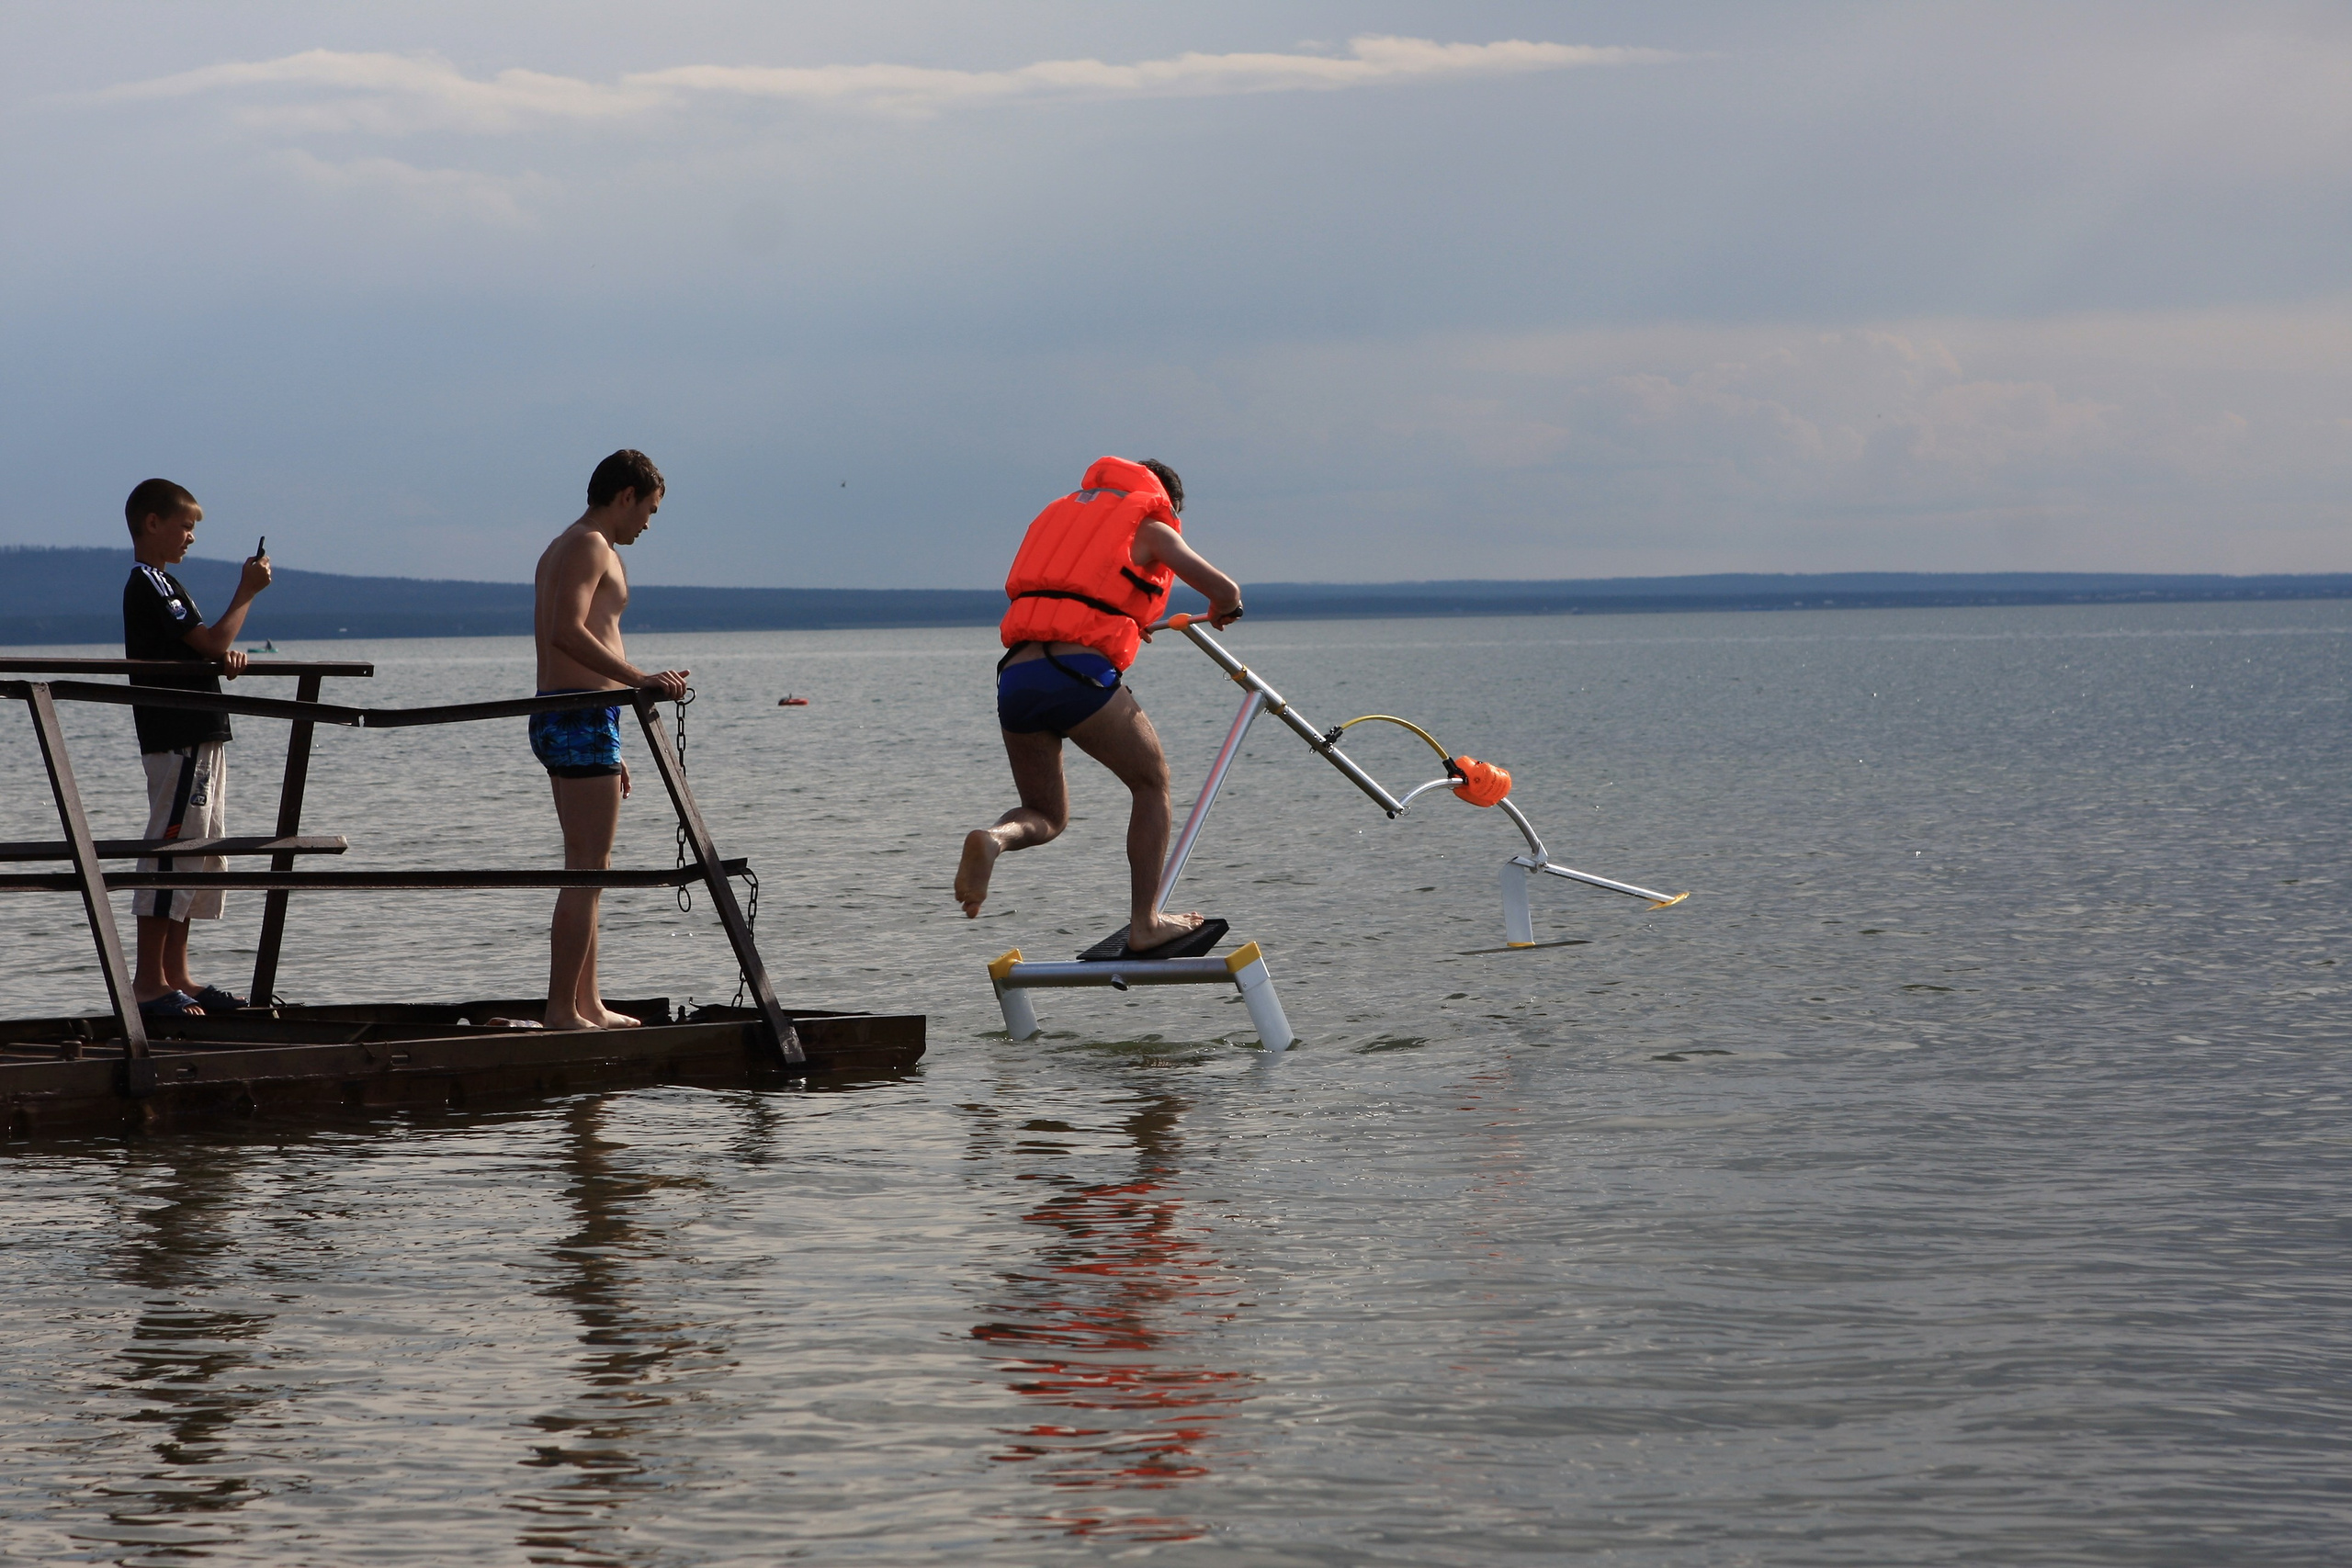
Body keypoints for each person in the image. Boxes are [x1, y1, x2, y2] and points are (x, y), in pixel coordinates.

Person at [955, 457, 1244, 952]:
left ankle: (994, 838)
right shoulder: (1150, 525)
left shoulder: (1062, 516)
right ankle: (1146, 923)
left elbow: (1085, 594)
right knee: (1151, 783)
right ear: (1167, 500)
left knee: (1045, 812)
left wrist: (1126, 621)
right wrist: (1224, 608)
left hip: (1016, 676)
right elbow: (1225, 590)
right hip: (1076, 675)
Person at [531, 449, 690, 1031]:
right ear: (626, 496)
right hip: (579, 714)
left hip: (580, 716)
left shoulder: (566, 544)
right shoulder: (590, 544)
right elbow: (566, 632)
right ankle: (560, 1010)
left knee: (588, 869)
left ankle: (587, 1003)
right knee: (586, 870)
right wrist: (640, 680)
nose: (648, 523)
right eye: (649, 509)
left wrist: (612, 738)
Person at [121, 478, 272, 1017]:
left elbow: (205, 647)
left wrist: (219, 656)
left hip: (197, 735)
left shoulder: (165, 582)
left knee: (197, 851)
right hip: (178, 736)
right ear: (152, 523)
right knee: (172, 850)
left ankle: (175, 974)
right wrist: (247, 591)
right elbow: (210, 641)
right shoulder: (151, 582)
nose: (191, 537)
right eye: (185, 527)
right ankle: (148, 983)